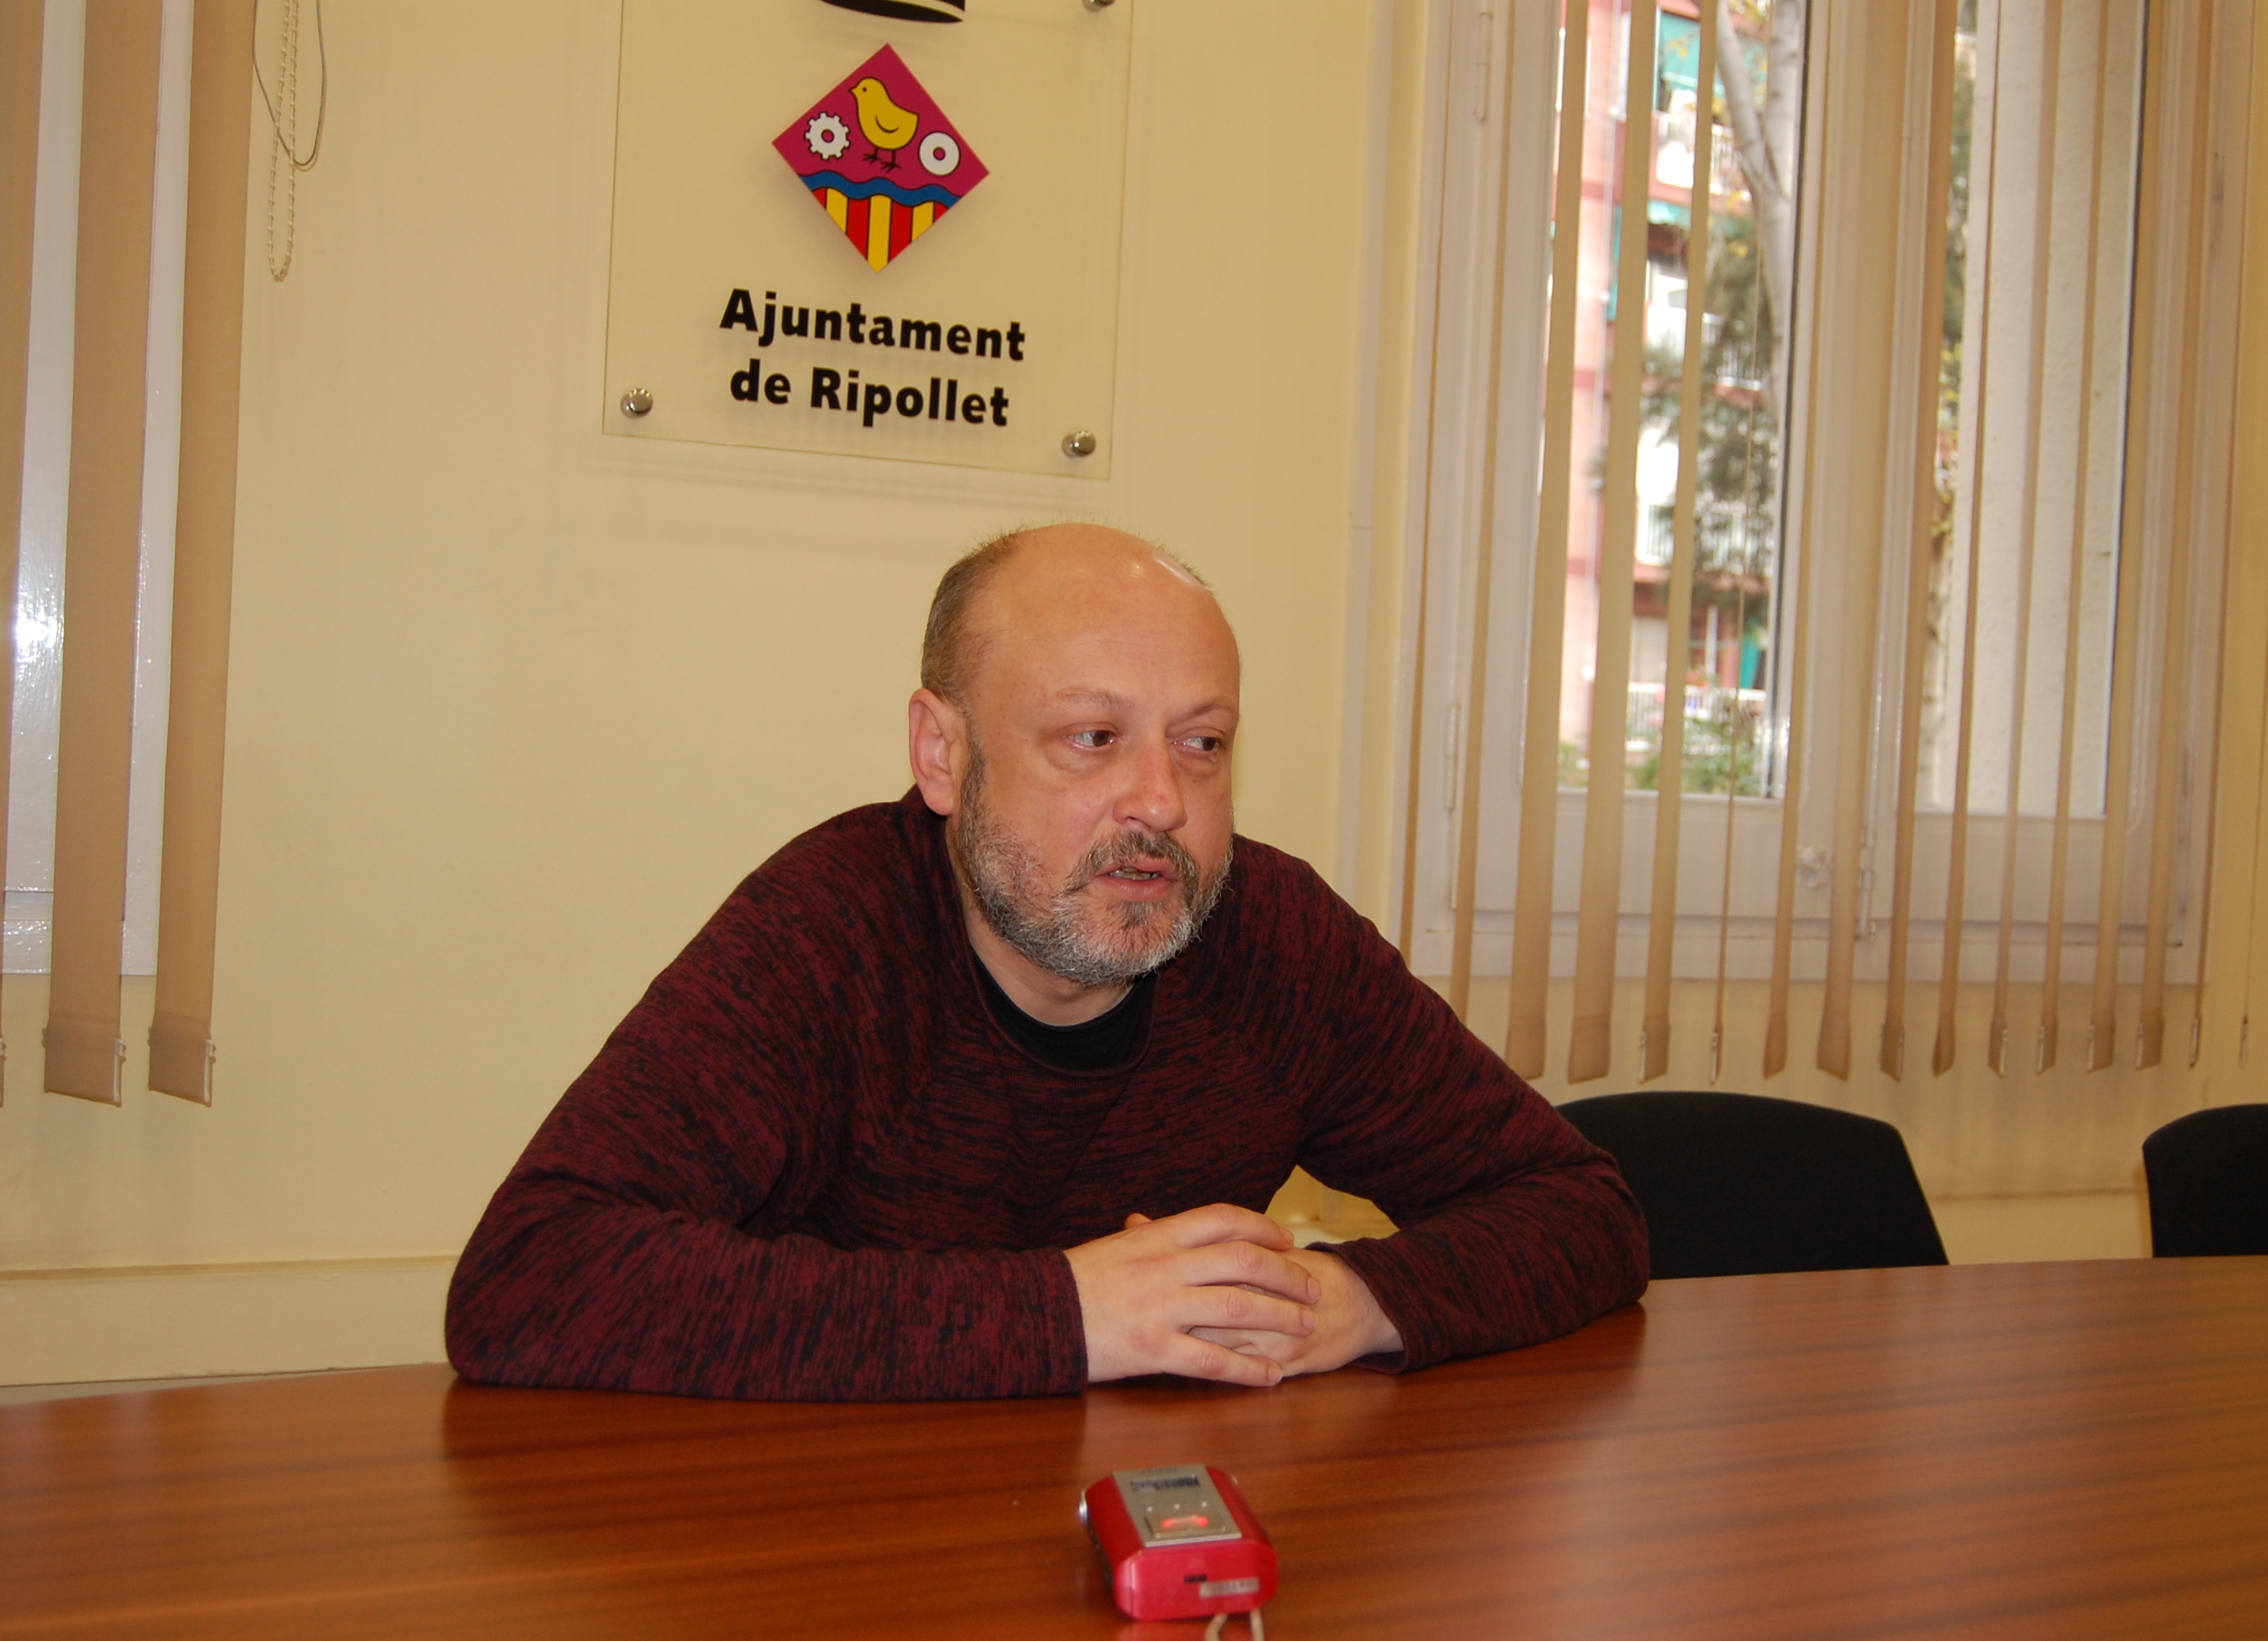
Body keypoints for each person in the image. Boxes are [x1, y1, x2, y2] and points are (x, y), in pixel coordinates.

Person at [446, 525, 1646, 1400]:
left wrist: (1352, 1302)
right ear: (943, 754)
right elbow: (530, 1275)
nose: (1161, 801)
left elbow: (1583, 1209)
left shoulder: (1276, 942)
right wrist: (1069, 1312)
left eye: (1202, 743)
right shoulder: (829, 933)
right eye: (1093, 737)